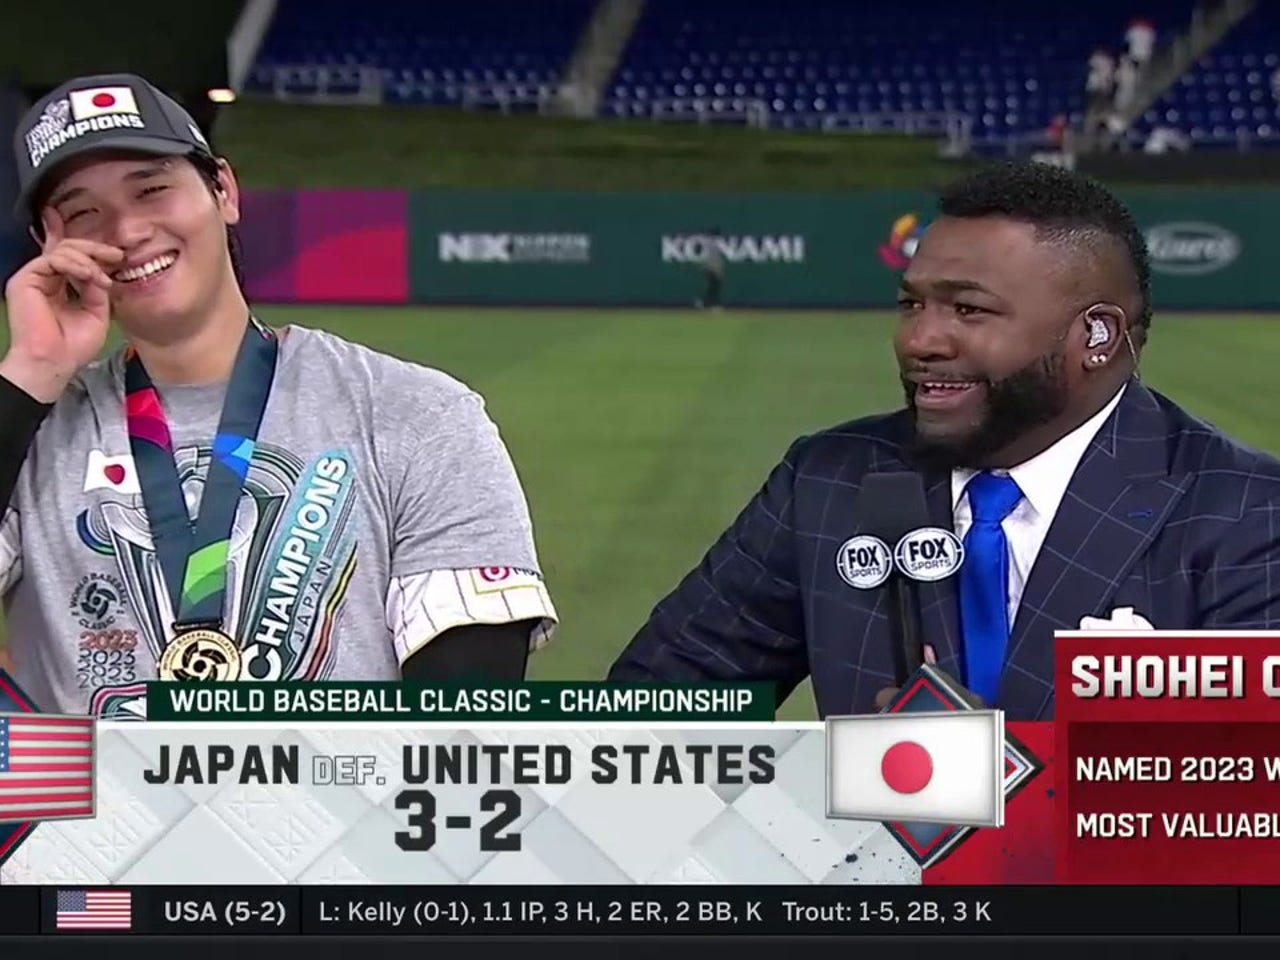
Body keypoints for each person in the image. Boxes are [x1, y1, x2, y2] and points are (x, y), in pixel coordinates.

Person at [609, 161, 1280, 721]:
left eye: (970, 310)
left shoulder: (1247, 514)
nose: (921, 340)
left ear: (1097, 338)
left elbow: (1241, 808)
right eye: (911, 305)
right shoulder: (829, 480)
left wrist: (972, 774)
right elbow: (650, 715)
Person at [1, 73, 557, 717]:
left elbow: (462, 726)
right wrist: (32, 371)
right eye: (82, 213)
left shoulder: (418, 414)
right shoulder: (30, 430)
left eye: (152, 189)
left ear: (223, 191)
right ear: (50, 244)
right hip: (91, 819)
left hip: (345, 813)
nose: (125, 231)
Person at [695, 227, 725, 311]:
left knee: (713, 287)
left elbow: (698, 250)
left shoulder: (707, 241)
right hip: (711, 267)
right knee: (715, 286)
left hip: (709, 267)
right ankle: (712, 305)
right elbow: (713, 258)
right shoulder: (712, 243)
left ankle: (705, 303)